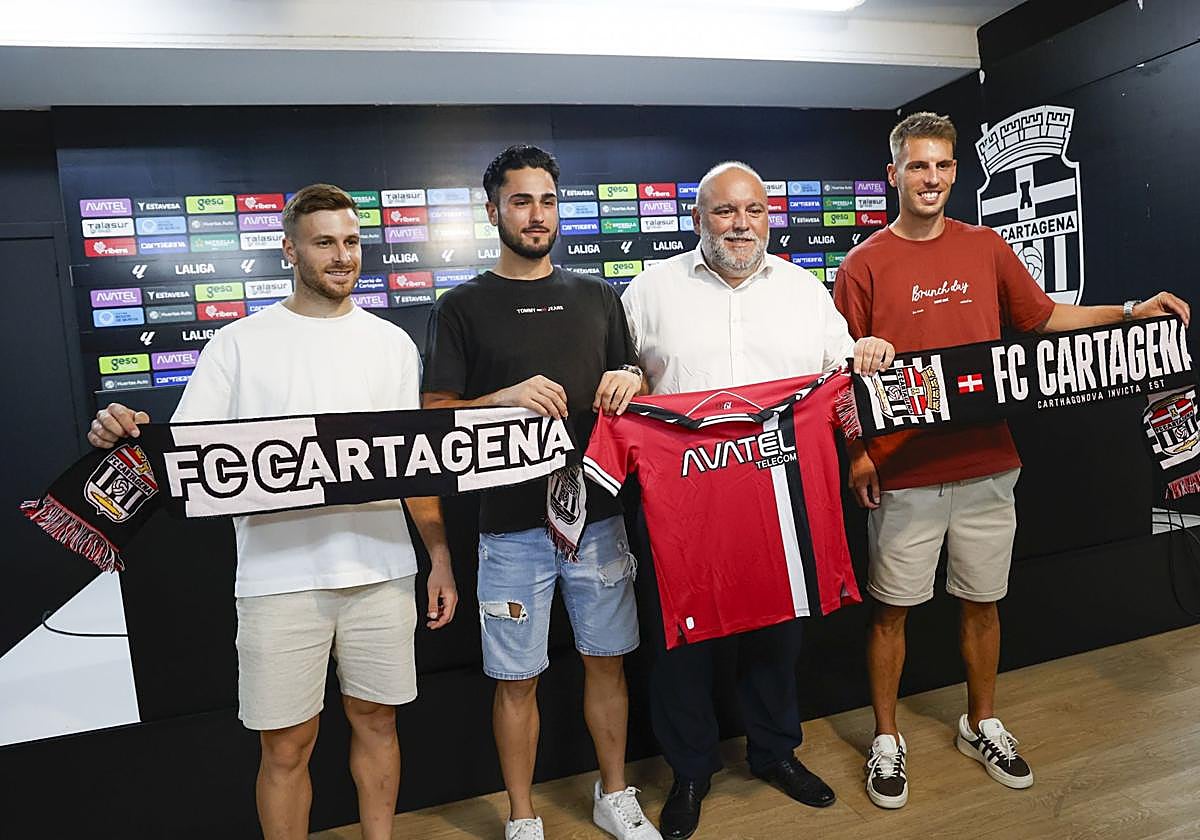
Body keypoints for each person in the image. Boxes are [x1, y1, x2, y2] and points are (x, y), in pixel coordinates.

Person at [834, 111, 1190, 810]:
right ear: (894, 173)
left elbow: (1045, 318)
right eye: (917, 166)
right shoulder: (862, 264)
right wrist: (859, 455)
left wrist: (1129, 310)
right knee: (891, 613)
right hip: (904, 469)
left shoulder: (986, 246)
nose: (930, 178)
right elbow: (838, 372)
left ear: (954, 172)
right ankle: (886, 737)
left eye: (941, 166)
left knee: (983, 603)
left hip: (988, 462)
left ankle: (982, 721)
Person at [87, 184, 459, 840]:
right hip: (278, 580)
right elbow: (184, 455)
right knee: (286, 747)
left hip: (381, 571)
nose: (342, 257)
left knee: (379, 722)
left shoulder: (393, 346)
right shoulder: (238, 346)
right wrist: (128, 431)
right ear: (289, 249)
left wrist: (437, 555)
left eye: (350, 242)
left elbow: (415, 467)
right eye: (324, 243)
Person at [620, 160, 894, 840]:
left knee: (778, 632)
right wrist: (622, 378)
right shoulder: (649, 292)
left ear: (769, 217)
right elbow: (625, 372)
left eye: (753, 212)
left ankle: (775, 752)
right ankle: (689, 772)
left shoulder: (803, 290)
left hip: (780, 497)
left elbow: (840, 374)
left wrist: (867, 351)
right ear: (697, 219)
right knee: (681, 644)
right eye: (724, 211)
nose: (740, 225)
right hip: (684, 509)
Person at [422, 144, 660, 840]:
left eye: (547, 200)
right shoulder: (461, 305)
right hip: (507, 527)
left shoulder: (597, 296)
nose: (536, 215)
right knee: (515, 678)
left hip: (600, 517)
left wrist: (634, 380)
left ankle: (614, 793)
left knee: (607, 662)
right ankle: (522, 816)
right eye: (521, 201)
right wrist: (501, 398)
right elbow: (433, 414)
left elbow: (630, 379)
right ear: (492, 209)